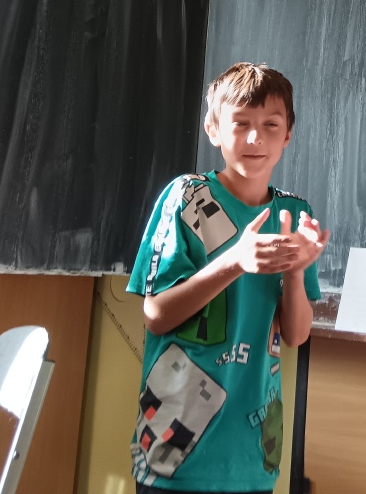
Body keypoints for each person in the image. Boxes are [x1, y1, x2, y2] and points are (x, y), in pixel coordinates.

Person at [129, 62, 329, 494]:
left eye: (271, 125)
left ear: (288, 135)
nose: (256, 138)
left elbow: (295, 335)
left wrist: (296, 271)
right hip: (175, 455)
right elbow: (156, 315)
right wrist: (235, 261)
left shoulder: (293, 214)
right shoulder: (187, 198)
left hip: (251, 456)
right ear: (213, 129)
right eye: (240, 124)